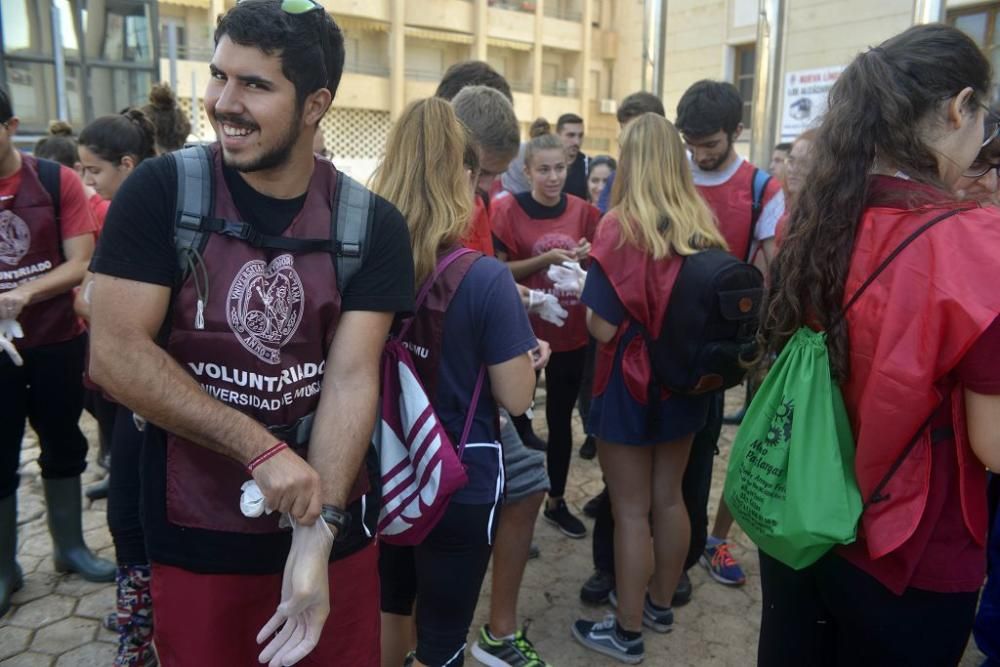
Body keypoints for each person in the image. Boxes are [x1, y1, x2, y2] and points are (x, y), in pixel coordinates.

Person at [87, 1, 414, 663]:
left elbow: (352, 377)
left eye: (255, 85)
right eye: (218, 76)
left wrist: (314, 535)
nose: (223, 102)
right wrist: (261, 450)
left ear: (315, 104)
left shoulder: (371, 225)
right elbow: (116, 355)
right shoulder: (160, 192)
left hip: (332, 519)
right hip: (196, 528)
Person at [756, 24, 1000, 665]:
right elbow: (993, 444)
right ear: (960, 106)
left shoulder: (813, 218)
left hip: (800, 515)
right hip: (910, 548)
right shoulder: (976, 246)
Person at [375, 97, 536, 667]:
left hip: (385, 464)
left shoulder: (368, 258)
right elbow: (515, 396)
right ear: (465, 176)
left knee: (391, 605)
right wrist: (528, 358)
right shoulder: (485, 277)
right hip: (457, 475)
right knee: (442, 640)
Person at [572, 112, 728, 664]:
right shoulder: (701, 221)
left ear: (632, 161)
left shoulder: (618, 225)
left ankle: (627, 630)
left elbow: (604, 327)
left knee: (631, 510)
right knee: (671, 498)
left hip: (628, 386)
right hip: (686, 384)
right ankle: (661, 602)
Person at [437, 70, 556, 667]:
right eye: (481, 172)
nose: (485, 187)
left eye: (491, 176)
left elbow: (482, 284)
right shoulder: (423, 204)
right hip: (444, 394)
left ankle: (495, 632)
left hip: (473, 381)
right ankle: (473, 637)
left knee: (526, 483)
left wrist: (521, 325)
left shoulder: (474, 202)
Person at [0, 85, 106, 619]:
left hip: (55, 340)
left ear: (11, 126)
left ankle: (70, 549)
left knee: (63, 443)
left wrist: (26, 292)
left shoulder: (53, 180)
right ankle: (5, 569)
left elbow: (79, 262)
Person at [675, 79, 784, 589]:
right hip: (667, 339)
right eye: (692, 144)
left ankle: (695, 546)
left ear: (736, 132)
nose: (700, 155)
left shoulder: (763, 188)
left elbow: (769, 270)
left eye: (710, 146)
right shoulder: (671, 176)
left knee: (702, 450)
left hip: (720, 347)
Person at [77, 109, 159, 666]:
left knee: (142, 518)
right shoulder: (122, 214)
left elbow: (92, 300)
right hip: (131, 395)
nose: (87, 183)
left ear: (128, 165)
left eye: (93, 171)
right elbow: (88, 294)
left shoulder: (155, 214)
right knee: (127, 515)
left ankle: (147, 627)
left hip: (160, 396)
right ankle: (138, 622)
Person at [492, 120, 600, 541]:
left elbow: (595, 264)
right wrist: (545, 259)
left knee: (560, 420)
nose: (553, 178)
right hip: (520, 335)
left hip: (570, 334)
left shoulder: (584, 211)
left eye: (559, 168)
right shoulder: (507, 209)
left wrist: (587, 258)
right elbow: (496, 271)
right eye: (544, 170)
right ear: (527, 170)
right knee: (513, 419)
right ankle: (509, 508)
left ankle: (556, 501)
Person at [775, 130, 816, 243]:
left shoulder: (829, 220)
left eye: (804, 163)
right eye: (791, 161)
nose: (794, 169)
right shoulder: (786, 215)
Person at [140, 82, 191, 154]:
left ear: (152, 99)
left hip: (156, 156)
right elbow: (186, 128)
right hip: (177, 154)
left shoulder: (146, 113)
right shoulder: (178, 113)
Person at [556, 113, 589, 200]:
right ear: (557, 136)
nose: (576, 142)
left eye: (580, 136)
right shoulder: (546, 164)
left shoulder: (588, 166)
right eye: (571, 135)